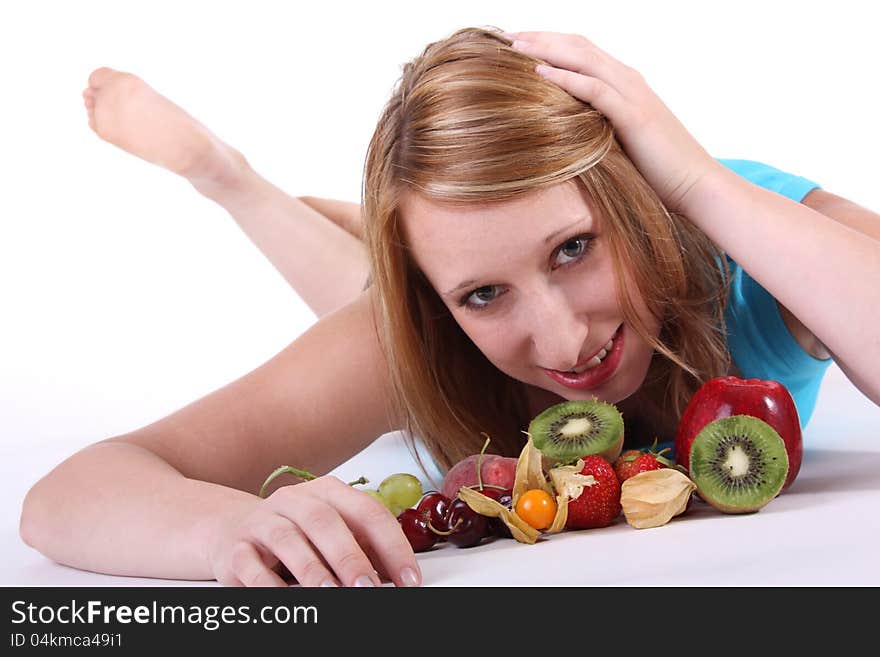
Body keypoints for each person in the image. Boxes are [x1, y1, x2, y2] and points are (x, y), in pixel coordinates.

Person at [19, 27, 880, 588]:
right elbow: (65, 494)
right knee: (362, 302)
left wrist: (694, 181)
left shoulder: (758, 235)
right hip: (416, 306)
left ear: (638, 195)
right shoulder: (429, 329)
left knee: (392, 288)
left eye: (573, 248)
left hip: (703, 200)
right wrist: (225, 529)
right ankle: (229, 177)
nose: (566, 339)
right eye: (482, 291)